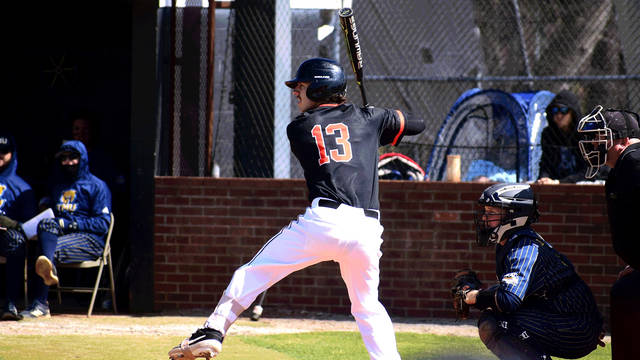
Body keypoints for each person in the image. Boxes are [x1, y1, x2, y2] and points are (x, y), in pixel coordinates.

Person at [168, 57, 425, 360]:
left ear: (320, 86)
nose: (296, 92)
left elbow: (339, 131)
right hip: (368, 230)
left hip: (325, 221)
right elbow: (418, 124)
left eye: (301, 86)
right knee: (367, 306)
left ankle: (212, 331)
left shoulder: (299, 127)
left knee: (252, 272)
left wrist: (370, 122)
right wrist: (380, 118)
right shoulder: (368, 118)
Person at [463, 183, 604, 359]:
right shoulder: (512, 242)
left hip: (575, 325)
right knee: (496, 316)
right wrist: (479, 295)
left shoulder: (524, 248)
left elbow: (508, 300)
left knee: (495, 323)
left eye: (491, 213)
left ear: (513, 216)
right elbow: (513, 293)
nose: (484, 218)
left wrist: (475, 297)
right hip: (565, 318)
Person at [20, 140, 111, 318]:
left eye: (73, 158)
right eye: (64, 158)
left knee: (46, 252)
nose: (68, 162)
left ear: (83, 158)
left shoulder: (97, 186)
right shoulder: (58, 186)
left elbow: (103, 224)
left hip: (89, 239)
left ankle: (40, 304)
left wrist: (68, 224)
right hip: (58, 235)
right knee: (45, 229)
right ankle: (43, 287)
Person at [577, 105, 640, 359]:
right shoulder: (625, 166)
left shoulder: (635, 163)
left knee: (626, 294)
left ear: (623, 140)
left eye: (601, 137)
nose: (594, 143)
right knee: (624, 291)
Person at [0, 133, 37, 321]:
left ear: (12, 154)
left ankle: (10, 303)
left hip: (5, 237)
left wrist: (9, 224)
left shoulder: (22, 188)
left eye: (3, 152)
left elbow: (27, 225)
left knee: (16, 240)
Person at [536, 90, 589, 184]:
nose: (559, 115)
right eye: (555, 111)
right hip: (555, 183)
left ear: (572, 113)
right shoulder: (549, 134)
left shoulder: (585, 134)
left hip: (581, 183)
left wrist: (560, 182)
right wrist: (544, 178)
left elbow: (590, 171)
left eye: (564, 110)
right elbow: (546, 164)